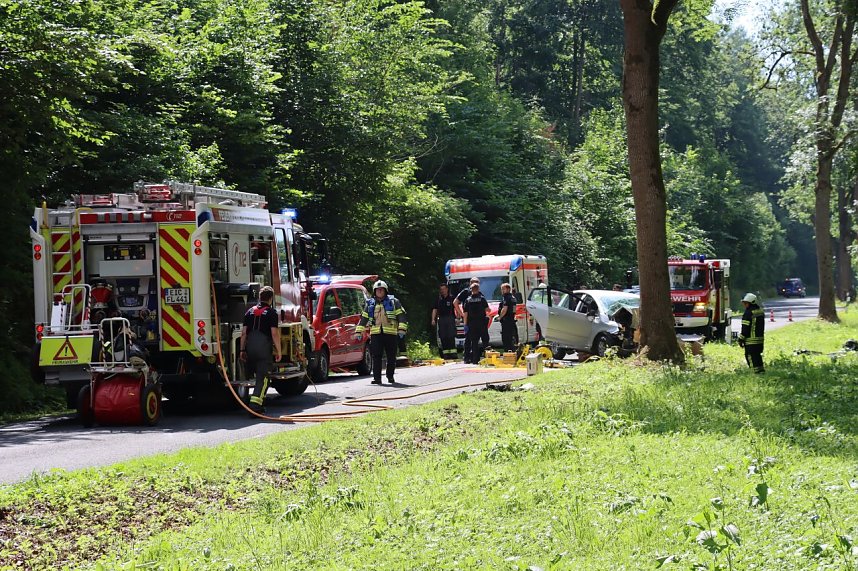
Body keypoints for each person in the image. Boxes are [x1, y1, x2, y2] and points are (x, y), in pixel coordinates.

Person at [355, 280, 407, 384]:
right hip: (376, 334)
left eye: (381, 289)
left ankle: (390, 376)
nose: (379, 291)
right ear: (374, 291)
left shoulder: (393, 302)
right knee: (376, 356)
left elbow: (401, 316)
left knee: (391, 357)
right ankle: (377, 378)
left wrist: (401, 329)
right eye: (377, 290)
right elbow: (364, 318)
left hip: (391, 333)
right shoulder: (370, 304)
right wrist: (359, 331)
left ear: (385, 291)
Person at [240, 286, 282, 415]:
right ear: (271, 299)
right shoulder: (271, 313)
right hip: (263, 349)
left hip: (250, 349)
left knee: (255, 377)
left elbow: (243, 333)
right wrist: (279, 351)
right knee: (263, 378)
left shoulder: (249, 312)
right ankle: (255, 406)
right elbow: (274, 333)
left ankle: (254, 402)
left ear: (259, 297)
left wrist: (242, 350)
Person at [453, 277, 480, 361]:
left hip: (476, 319)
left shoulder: (479, 293)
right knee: (468, 338)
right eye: (474, 283)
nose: (476, 285)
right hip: (468, 318)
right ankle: (467, 356)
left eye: (477, 283)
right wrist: (461, 314)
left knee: (475, 338)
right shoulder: (465, 292)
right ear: (470, 283)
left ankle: (473, 356)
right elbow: (455, 302)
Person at [737, 292, 765, 373]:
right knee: (758, 357)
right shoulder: (760, 311)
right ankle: (761, 373)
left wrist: (741, 339)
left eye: (745, 303)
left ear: (751, 303)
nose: (744, 305)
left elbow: (745, 329)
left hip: (751, 341)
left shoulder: (748, 313)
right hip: (760, 340)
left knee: (751, 357)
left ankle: (755, 375)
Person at [463, 281, 489, 364]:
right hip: (481, 322)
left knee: (474, 342)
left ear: (471, 290)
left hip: (472, 323)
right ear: (478, 289)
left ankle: (475, 359)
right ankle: (487, 358)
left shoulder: (468, 300)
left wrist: (465, 324)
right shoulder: (482, 298)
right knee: (485, 341)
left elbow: (465, 314)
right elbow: (487, 309)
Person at [432, 283, 457, 360]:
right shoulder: (439, 299)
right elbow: (435, 309)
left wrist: (458, 318)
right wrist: (433, 319)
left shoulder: (452, 298)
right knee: (443, 336)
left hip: (450, 318)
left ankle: (453, 353)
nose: (442, 291)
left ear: (447, 289)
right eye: (441, 289)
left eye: (444, 289)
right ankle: (446, 354)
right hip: (441, 319)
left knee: (451, 336)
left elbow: (456, 308)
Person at [498, 282, 518, 352]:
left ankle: (507, 353)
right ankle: (513, 352)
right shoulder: (513, 298)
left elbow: (504, 309)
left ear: (508, 289)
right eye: (501, 289)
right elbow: (514, 309)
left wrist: (500, 317)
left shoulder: (506, 298)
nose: (502, 291)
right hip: (512, 320)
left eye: (503, 289)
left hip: (506, 321)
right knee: (512, 337)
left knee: (506, 338)